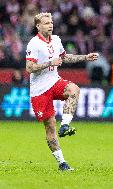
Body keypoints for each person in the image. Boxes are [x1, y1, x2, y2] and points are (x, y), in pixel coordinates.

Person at [25, 12, 99, 171]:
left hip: (54, 81)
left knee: (74, 89)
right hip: (39, 90)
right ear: (38, 26)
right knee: (50, 126)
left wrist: (85, 57)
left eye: (51, 22)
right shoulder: (34, 44)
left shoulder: (57, 39)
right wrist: (49, 62)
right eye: (46, 23)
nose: (50, 25)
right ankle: (62, 163)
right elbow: (29, 68)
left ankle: (65, 125)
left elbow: (64, 58)